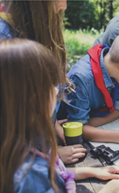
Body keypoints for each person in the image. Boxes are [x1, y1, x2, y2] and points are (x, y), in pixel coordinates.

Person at [0, 39, 119, 193]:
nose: (56, 92)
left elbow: (51, 171)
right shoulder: (31, 175)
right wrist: (109, 192)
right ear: (32, 100)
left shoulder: (16, 146)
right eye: (51, 86)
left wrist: (91, 171)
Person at [0, 0, 86, 164]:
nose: (63, 6)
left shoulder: (28, 28)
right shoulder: (5, 39)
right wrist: (52, 156)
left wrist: (53, 127)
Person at [56, 29, 119, 144]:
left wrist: (86, 125)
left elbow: (117, 109)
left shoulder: (115, 70)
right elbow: (75, 129)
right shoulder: (82, 77)